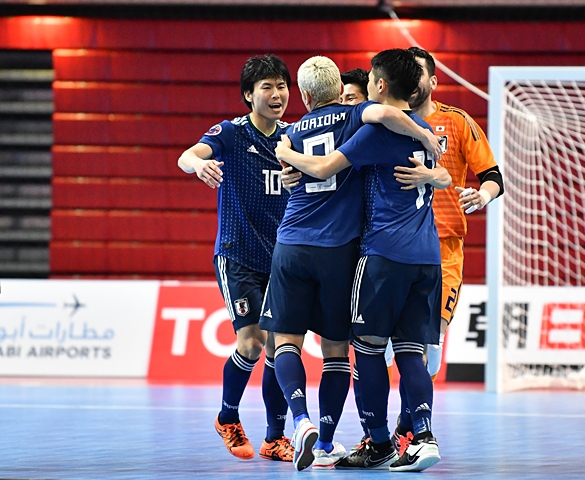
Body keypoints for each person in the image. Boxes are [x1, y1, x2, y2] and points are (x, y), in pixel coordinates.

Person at [259, 55, 441, 472]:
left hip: (300, 243)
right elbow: (394, 124)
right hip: (370, 252)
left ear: (302, 95)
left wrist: (288, 154)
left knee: (290, 343)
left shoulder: (294, 132)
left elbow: (318, 167)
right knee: (346, 351)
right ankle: (335, 440)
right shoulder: (362, 118)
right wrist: (424, 137)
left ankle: (306, 423)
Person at [177, 54, 294, 462]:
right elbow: (186, 155)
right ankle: (227, 416)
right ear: (249, 95)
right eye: (267, 87)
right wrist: (198, 166)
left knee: (283, 349)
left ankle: (274, 437)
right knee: (252, 341)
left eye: (282, 85)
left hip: (282, 260)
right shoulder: (230, 133)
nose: (277, 94)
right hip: (238, 254)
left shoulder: (292, 138)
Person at [391, 47, 505, 452]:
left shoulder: (456, 123)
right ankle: (391, 434)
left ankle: (408, 428)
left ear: (433, 81)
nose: (412, 80)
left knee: (431, 353)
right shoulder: (385, 120)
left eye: (418, 73)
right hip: (392, 248)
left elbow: (493, 175)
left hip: (443, 250)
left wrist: (484, 195)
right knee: (385, 349)